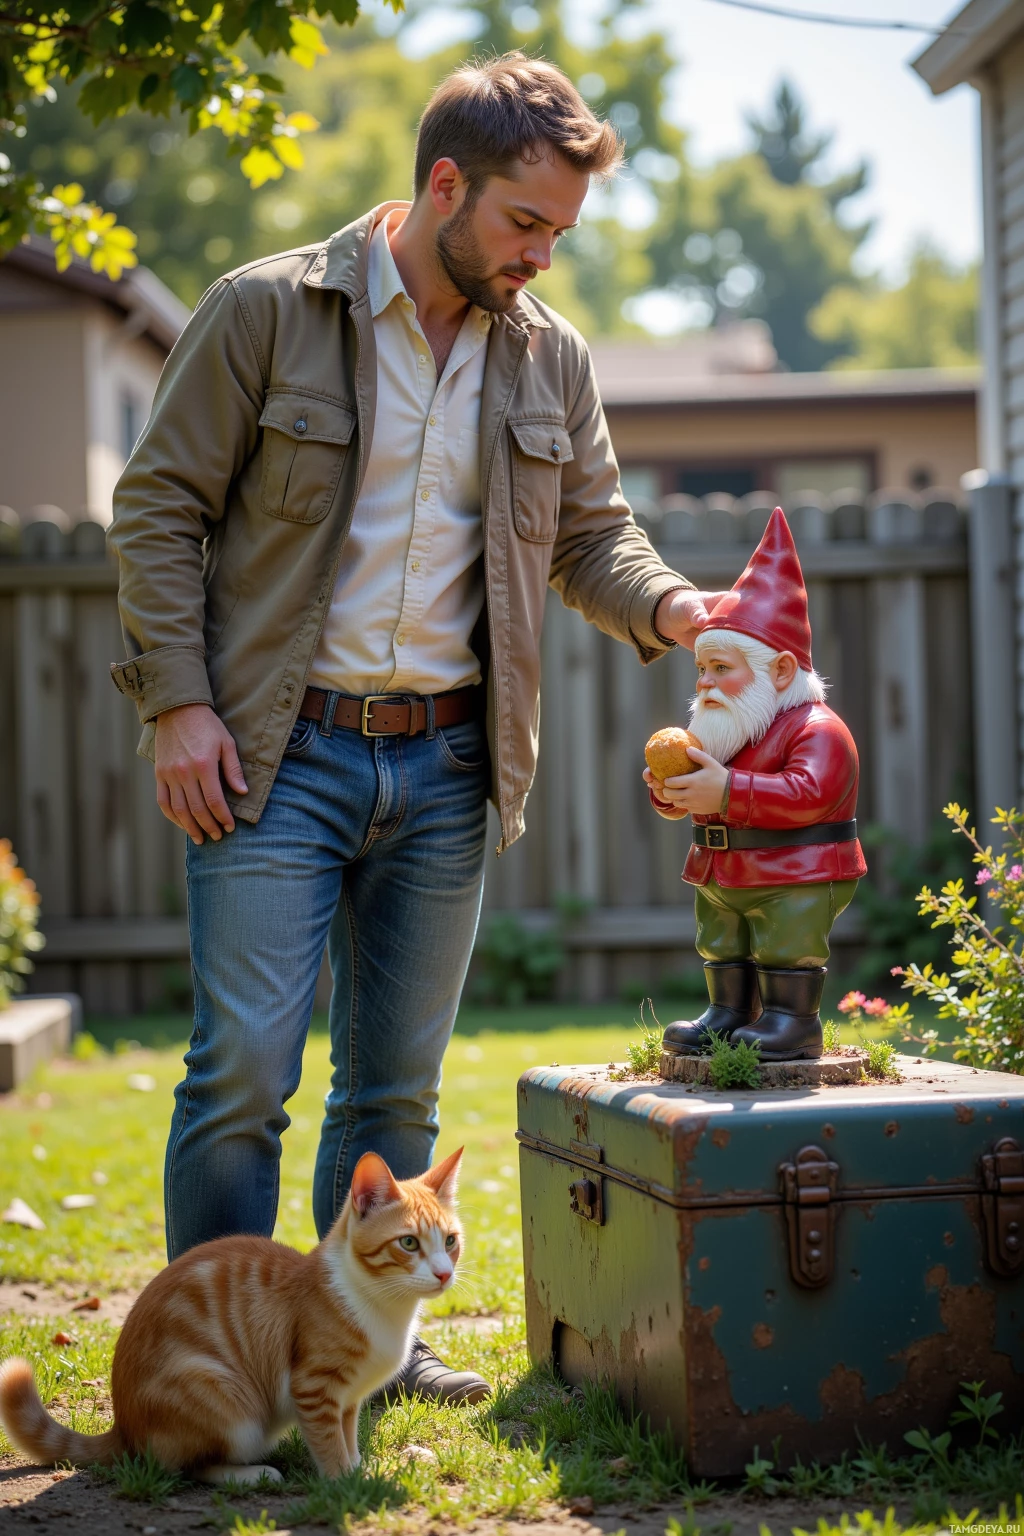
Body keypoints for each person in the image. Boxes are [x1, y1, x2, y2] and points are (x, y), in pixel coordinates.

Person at [109, 51, 719, 1402]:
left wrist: (678, 610)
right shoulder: (269, 311)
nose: (541, 258)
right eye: (522, 223)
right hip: (277, 753)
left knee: (395, 1093)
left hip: (447, 763)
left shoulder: (547, 357)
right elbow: (157, 507)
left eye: (562, 233)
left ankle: (366, 1356)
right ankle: (212, 1359)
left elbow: (592, 536)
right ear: (444, 183)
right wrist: (180, 704)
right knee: (243, 1074)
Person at [645, 508, 867, 1062]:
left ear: (782, 671)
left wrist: (725, 792)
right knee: (721, 939)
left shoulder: (819, 731)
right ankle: (728, 1011)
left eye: (722, 668)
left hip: (797, 874)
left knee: (784, 943)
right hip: (725, 873)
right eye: (702, 670)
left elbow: (807, 794)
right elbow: (704, 789)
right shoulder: (729, 729)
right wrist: (670, 792)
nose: (706, 683)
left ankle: (793, 1020)